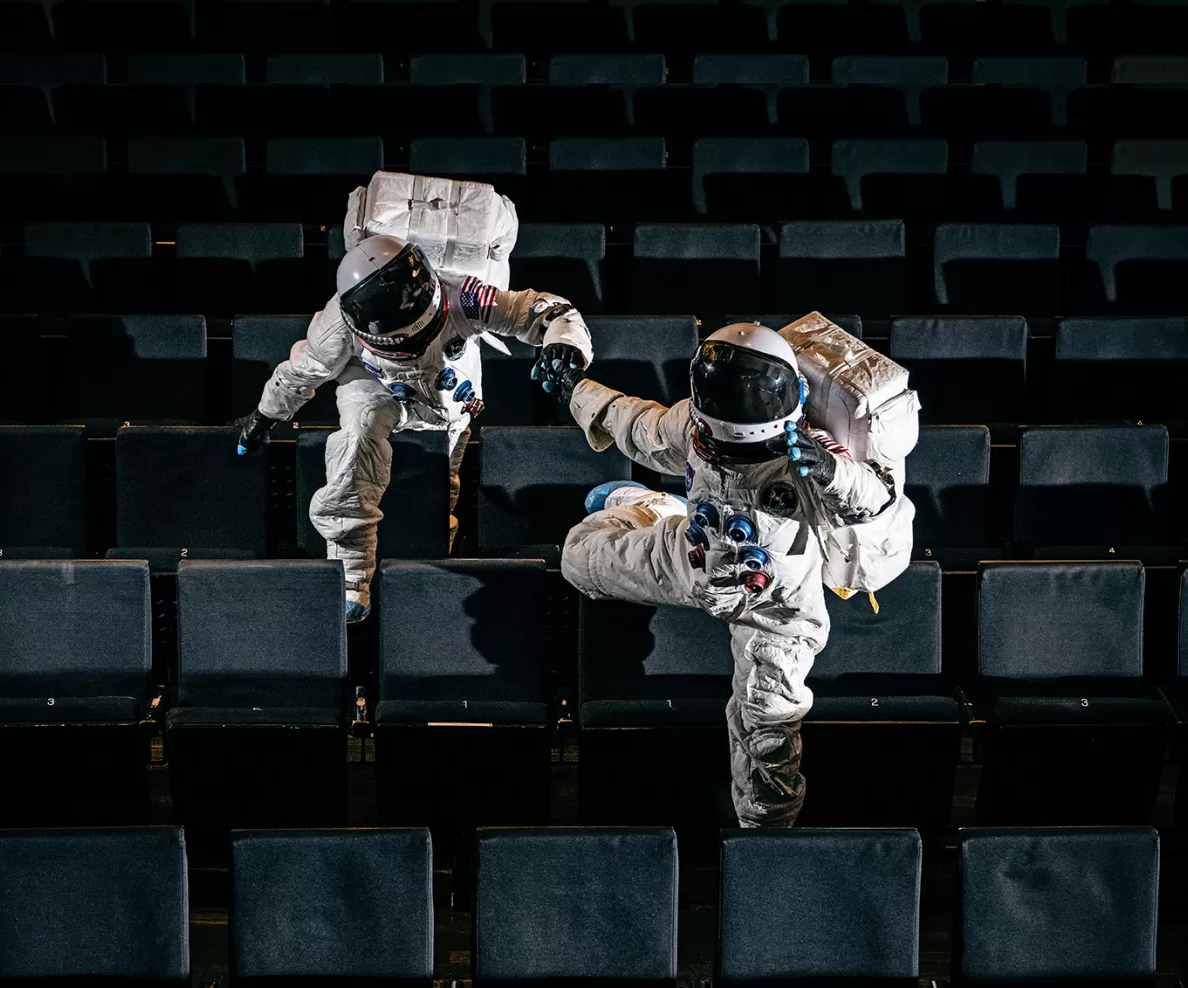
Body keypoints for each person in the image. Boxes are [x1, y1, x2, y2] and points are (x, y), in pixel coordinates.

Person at [560, 323, 903, 827]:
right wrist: (577, 390)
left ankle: (764, 844)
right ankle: (651, 508)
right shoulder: (697, 429)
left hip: (777, 606)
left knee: (767, 725)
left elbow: (876, 498)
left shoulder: (809, 458)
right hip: (691, 559)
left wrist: (829, 471)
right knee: (578, 556)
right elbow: (639, 426)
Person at [235, 234, 592, 622]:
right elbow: (300, 374)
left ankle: (434, 567)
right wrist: (265, 415)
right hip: (378, 388)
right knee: (355, 439)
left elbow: (540, 309)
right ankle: (351, 575)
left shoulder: (464, 296)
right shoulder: (336, 327)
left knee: (442, 491)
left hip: (448, 401)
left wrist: (563, 342)